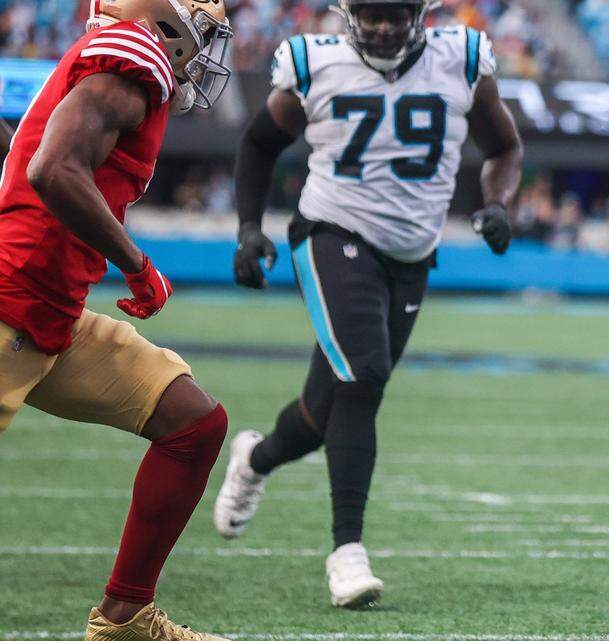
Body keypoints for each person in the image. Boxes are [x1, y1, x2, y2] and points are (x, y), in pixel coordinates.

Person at [213, 0, 523, 609]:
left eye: (396, 12)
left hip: (411, 253)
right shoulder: (314, 61)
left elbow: (504, 148)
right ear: (348, 13)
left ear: (420, 12)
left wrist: (498, 203)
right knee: (365, 376)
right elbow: (257, 143)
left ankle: (256, 457)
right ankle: (346, 552)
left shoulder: (460, 58)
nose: (383, 25)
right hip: (331, 229)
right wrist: (250, 227)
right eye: (372, 13)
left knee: (325, 406)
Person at [0, 1, 234, 638]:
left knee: (193, 422)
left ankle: (125, 616)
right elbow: (54, 168)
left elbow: (32, 150)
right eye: (207, 31)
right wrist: (135, 265)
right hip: (11, 303)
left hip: (50, 312)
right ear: (168, 17)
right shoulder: (138, 54)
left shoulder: (120, 62)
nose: (208, 50)